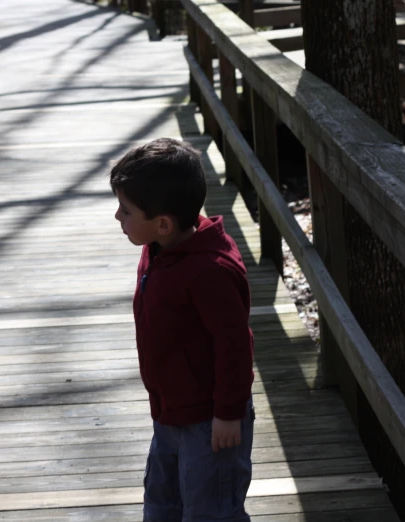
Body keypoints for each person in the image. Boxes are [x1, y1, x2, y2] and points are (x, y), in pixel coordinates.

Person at [110, 138, 255, 521]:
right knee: (163, 506)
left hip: (211, 421)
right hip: (169, 413)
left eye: (125, 210)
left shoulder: (210, 271)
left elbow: (235, 347)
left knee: (213, 512)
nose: (117, 217)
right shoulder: (159, 248)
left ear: (162, 223)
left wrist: (228, 413)